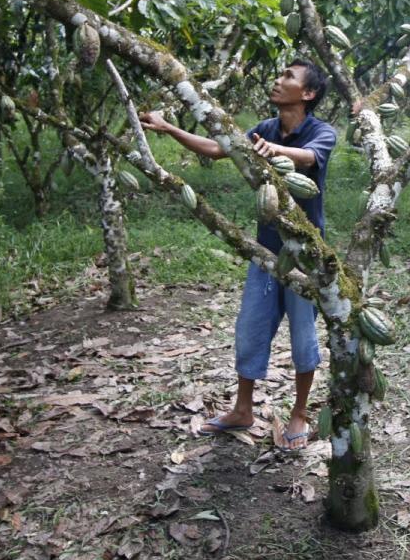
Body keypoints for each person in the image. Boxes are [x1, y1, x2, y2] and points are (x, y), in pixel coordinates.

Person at [141, 59, 336, 450]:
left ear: (308, 93)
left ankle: (299, 413)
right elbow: (217, 148)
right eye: (279, 73)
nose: (278, 80)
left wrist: (272, 150)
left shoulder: (322, 131)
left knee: (302, 338)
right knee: (250, 329)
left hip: (304, 253)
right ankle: (243, 409)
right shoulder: (263, 127)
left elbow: (308, 158)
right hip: (265, 250)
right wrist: (168, 128)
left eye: (288, 78)